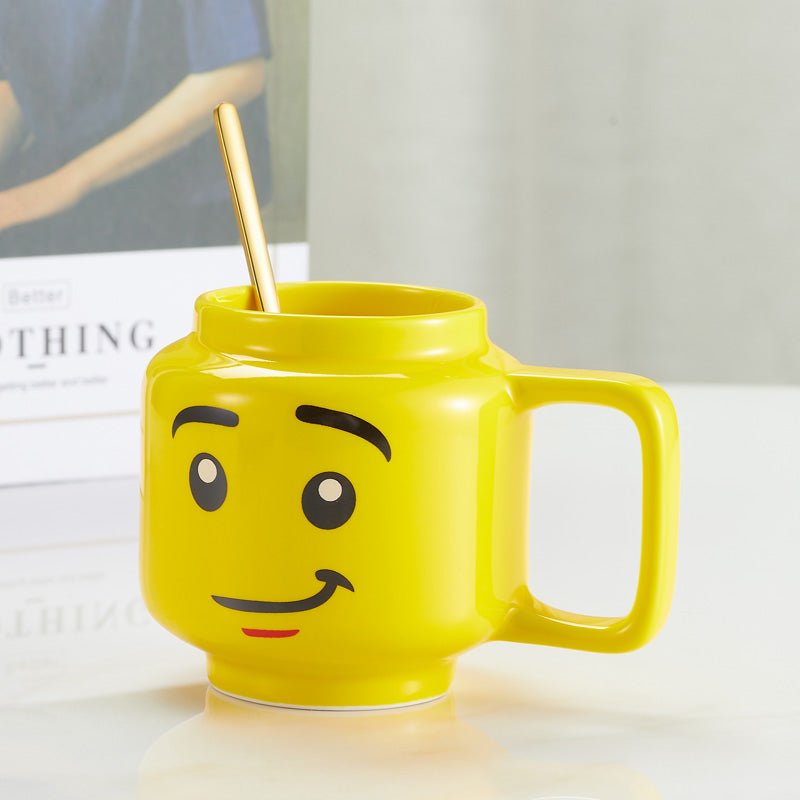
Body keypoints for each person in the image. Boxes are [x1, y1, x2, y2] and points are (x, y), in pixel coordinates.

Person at [0, 1, 271, 257]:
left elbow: (236, 75)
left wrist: (65, 184)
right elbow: (19, 79)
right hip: (61, 175)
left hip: (177, 190)